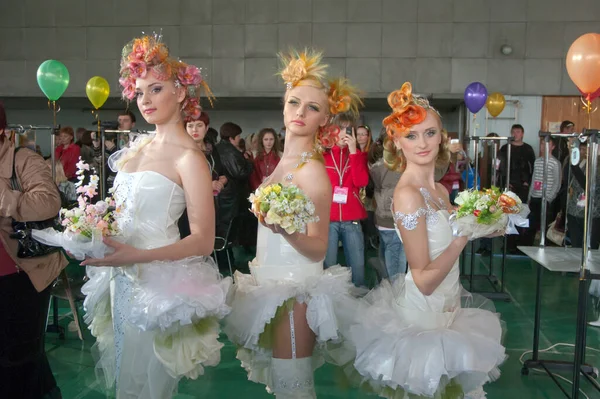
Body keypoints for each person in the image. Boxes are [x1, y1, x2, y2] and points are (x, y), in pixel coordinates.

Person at [80, 34, 232, 398]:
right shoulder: (138, 147)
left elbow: (203, 240)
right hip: (121, 277)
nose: (144, 100)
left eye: (156, 89)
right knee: (125, 379)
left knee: (151, 385)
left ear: (180, 93)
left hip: (156, 283)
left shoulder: (189, 158)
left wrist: (138, 256)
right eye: (140, 91)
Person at [345, 82, 506, 399]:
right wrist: (463, 237)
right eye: (411, 135)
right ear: (397, 141)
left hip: (451, 312)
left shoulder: (441, 191)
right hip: (423, 319)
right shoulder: (407, 195)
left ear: (442, 135)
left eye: (429, 132)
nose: (422, 143)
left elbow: (451, 233)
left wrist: (484, 224)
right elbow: (424, 281)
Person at [223, 50, 363, 398]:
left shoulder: (313, 171)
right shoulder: (283, 163)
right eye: (294, 103)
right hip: (269, 282)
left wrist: (286, 230)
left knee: (293, 383)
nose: (300, 112)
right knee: (281, 382)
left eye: (312, 107)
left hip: (295, 288)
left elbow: (318, 246)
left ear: (325, 119)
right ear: (283, 107)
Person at [0, 102, 67, 399]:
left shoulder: (21, 158)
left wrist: (6, 199)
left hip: (21, 275)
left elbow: (48, 201)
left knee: (20, 357)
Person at [323, 114, 369, 287]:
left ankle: (358, 299)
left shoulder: (357, 155)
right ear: (331, 131)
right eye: (340, 128)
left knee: (357, 265)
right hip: (328, 217)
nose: (344, 133)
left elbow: (361, 182)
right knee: (329, 266)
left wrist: (353, 152)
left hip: (352, 217)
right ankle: (330, 302)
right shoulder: (322, 156)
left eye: (348, 129)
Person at [179, 111, 227, 238]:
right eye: (190, 125)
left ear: (206, 128)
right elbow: (178, 182)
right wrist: (207, 185)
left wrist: (222, 181)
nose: (194, 129)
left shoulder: (212, 149)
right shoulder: (182, 151)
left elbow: (221, 173)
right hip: (188, 208)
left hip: (212, 204)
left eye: (199, 125)